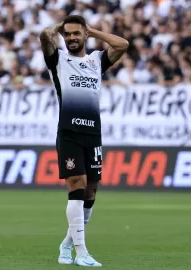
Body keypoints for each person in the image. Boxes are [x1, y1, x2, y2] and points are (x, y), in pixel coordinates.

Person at [39, 15, 129, 267]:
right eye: (67, 35)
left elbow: (122, 45)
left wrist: (93, 31)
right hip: (69, 133)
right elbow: (45, 36)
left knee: (90, 193)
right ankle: (81, 252)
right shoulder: (57, 59)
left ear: (85, 35)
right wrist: (60, 26)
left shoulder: (97, 60)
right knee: (77, 188)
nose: (71, 38)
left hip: (93, 134)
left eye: (76, 34)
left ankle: (67, 244)